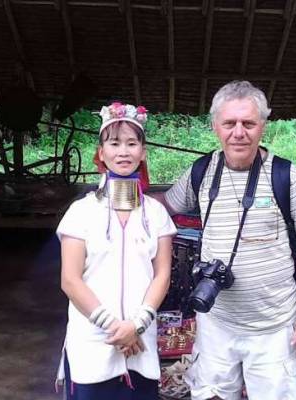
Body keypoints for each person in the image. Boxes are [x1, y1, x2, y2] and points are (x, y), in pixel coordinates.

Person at [163, 81, 296, 400]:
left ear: (262, 126)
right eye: (229, 123)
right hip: (216, 325)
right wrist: (119, 195)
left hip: (274, 328)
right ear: (215, 127)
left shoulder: (286, 176)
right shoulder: (200, 172)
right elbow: (164, 207)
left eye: (248, 123)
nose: (239, 132)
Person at [55, 102, 177, 400]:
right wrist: (116, 328)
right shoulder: (80, 212)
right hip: (95, 341)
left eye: (132, 143)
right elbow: (70, 280)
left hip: (139, 340)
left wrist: (136, 325)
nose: (123, 152)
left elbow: (162, 275)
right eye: (114, 143)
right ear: (101, 152)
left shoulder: (156, 214)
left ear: (143, 152)